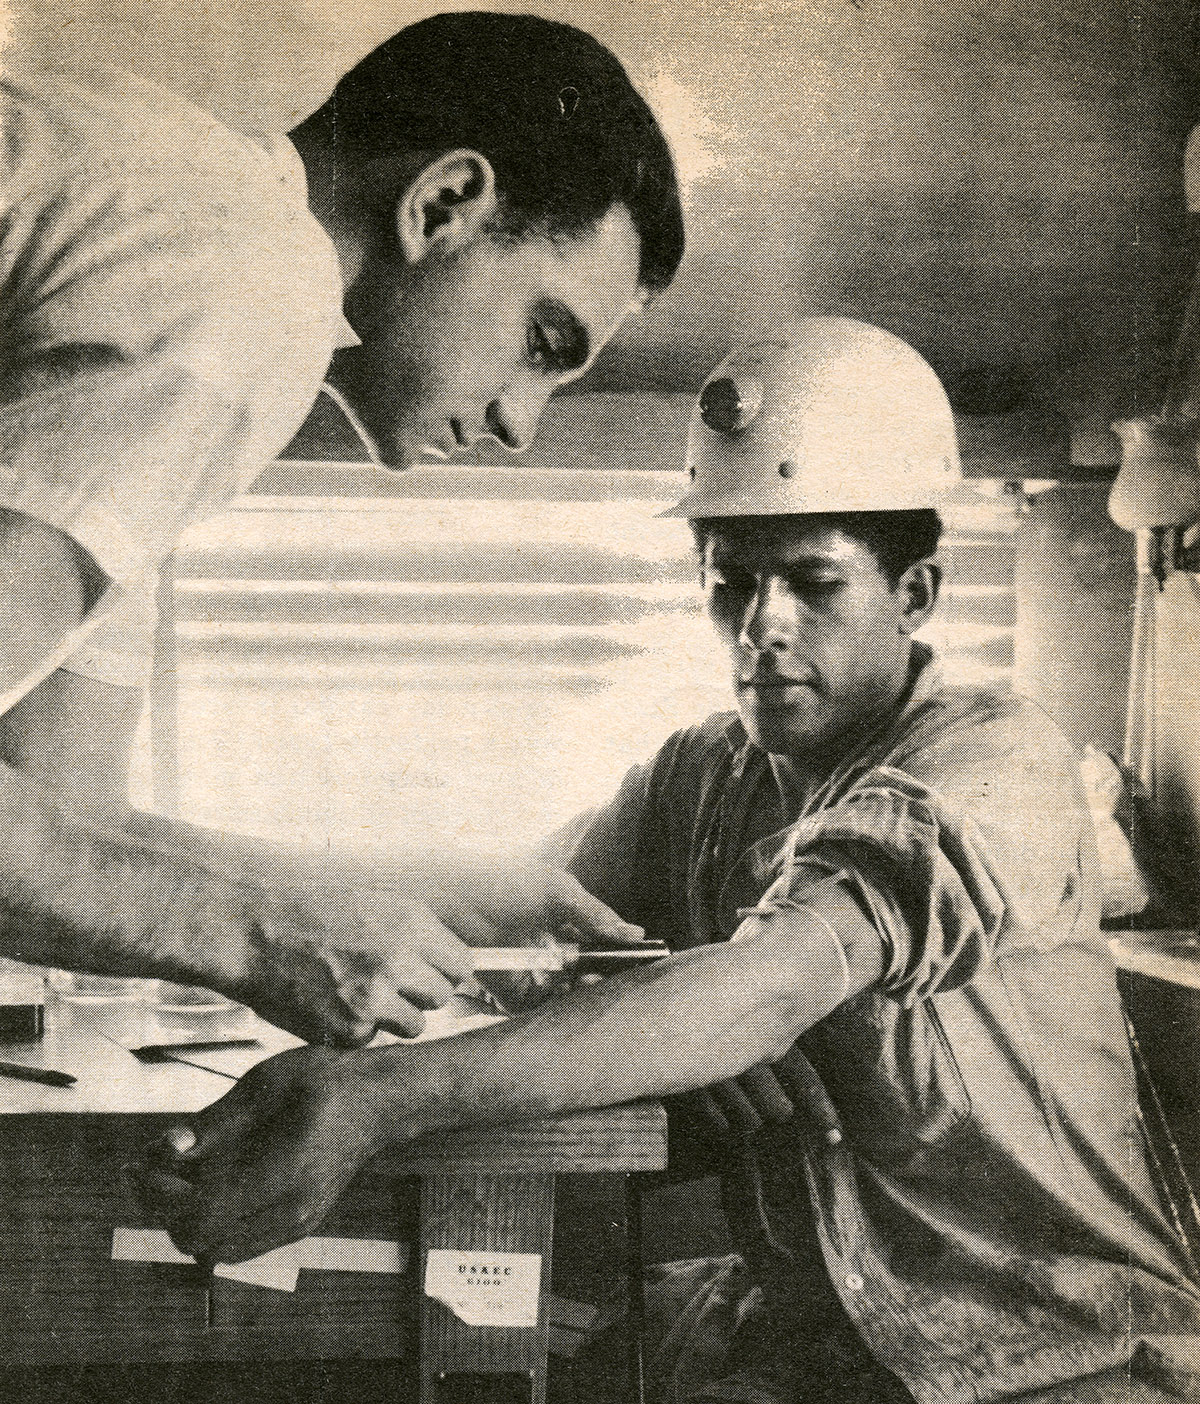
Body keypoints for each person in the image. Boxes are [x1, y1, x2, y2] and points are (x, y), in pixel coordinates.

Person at [137, 320, 1200, 1402]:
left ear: (917, 595)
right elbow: (531, 920)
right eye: (729, 581)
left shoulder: (992, 764)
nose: (761, 627)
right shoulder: (702, 774)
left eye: (814, 585)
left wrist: (374, 1099)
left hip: (1059, 1354)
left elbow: (775, 980)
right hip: (819, 1337)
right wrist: (680, 1017)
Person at [0, 12, 683, 1042]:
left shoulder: (182, 204)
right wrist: (259, 938)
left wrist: (400, 889)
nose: (518, 423)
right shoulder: (250, 291)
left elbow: (58, 812)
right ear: (445, 203)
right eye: (543, 341)